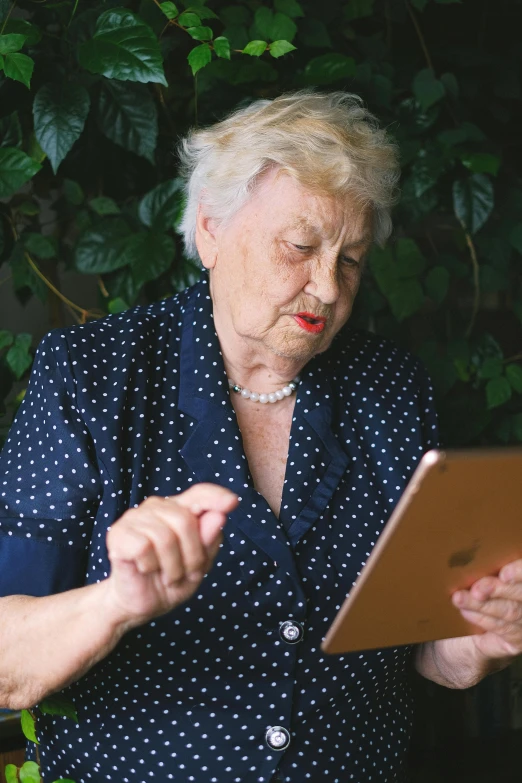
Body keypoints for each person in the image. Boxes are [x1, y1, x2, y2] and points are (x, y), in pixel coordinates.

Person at [0, 91, 521, 783]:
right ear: (211, 230)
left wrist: (483, 639)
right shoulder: (93, 376)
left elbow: (424, 651)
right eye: (301, 246)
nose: (329, 287)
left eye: (352, 259)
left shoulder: (391, 389)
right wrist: (116, 602)